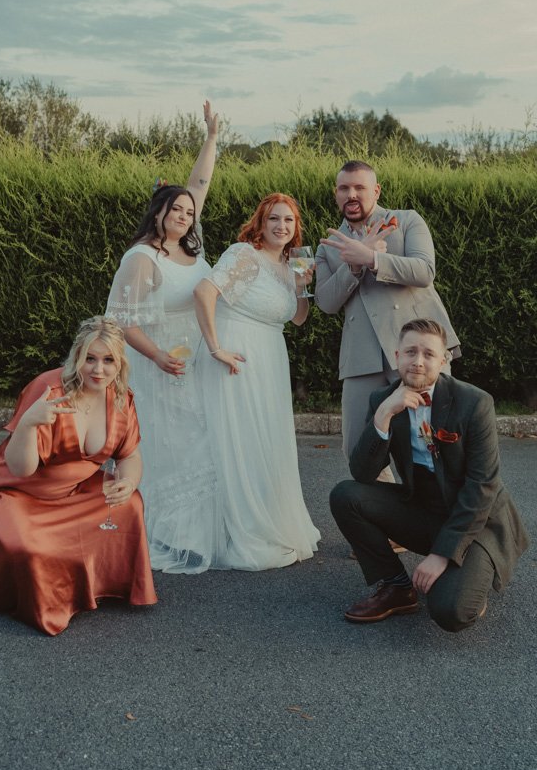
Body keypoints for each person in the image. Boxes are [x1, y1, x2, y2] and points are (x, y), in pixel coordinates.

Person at [330, 318, 529, 631]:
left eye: (428, 354)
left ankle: (471, 573)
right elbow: (363, 474)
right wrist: (384, 415)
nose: (418, 361)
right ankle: (397, 587)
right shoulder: (383, 399)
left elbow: (482, 487)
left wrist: (442, 554)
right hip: (424, 509)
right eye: (410, 352)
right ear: (397, 356)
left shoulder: (474, 403)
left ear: (443, 360)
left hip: (476, 521)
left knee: (451, 611)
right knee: (346, 496)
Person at [0, 317, 157, 636]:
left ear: (120, 364)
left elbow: (129, 456)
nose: (98, 370)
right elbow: (20, 468)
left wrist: (128, 481)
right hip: (14, 491)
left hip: (74, 492)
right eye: (90, 358)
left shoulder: (120, 397)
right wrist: (29, 424)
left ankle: (106, 585)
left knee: (130, 504)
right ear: (77, 356)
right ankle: (43, 602)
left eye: (108, 360)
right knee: (26, 547)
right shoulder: (48, 389)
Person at [106, 101, 221, 573]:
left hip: (198, 358)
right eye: (176, 209)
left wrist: (211, 138)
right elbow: (121, 321)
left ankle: (197, 531)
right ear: (159, 211)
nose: (185, 214)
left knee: (202, 441)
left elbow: (199, 185)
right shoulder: (143, 258)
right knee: (171, 446)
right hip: (161, 364)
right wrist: (156, 357)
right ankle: (164, 531)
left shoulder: (191, 247)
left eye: (189, 211)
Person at [193, 194, 321, 570]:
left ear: (296, 227)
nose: (282, 226)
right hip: (237, 353)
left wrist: (302, 285)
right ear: (260, 223)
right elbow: (204, 292)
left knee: (267, 438)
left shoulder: (291, 263)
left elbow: (298, 318)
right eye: (274, 219)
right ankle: (239, 528)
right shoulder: (245, 255)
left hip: (270, 356)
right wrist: (215, 347)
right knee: (238, 439)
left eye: (289, 220)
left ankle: (270, 519)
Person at [315, 160, 461, 465]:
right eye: (344, 188)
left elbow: (424, 271)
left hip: (416, 349)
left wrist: (373, 259)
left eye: (359, 187)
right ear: (336, 193)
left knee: (433, 439)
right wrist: (353, 265)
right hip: (361, 357)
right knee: (358, 448)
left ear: (376, 191)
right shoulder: (329, 245)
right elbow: (326, 302)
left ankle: (438, 496)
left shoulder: (406, 220)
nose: (351, 194)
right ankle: (385, 498)